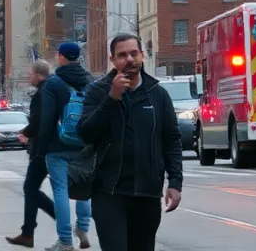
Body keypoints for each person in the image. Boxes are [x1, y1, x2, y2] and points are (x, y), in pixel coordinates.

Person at [77, 33, 182, 251]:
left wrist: (175, 182)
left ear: (142, 55)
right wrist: (112, 98)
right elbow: (86, 134)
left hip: (148, 192)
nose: (129, 59)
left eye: (134, 53)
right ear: (113, 60)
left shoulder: (158, 94)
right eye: (122, 55)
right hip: (109, 192)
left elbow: (171, 140)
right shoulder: (98, 92)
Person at [38, 42, 94, 250]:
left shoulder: (53, 83)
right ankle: (83, 228)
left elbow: (46, 119)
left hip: (57, 145)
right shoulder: (91, 81)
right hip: (85, 145)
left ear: (60, 57)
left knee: (61, 191)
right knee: (85, 187)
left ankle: (65, 241)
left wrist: (41, 145)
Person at [6, 61, 56, 248]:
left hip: (41, 150)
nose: (29, 77)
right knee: (32, 189)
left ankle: (33, 231)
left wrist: (26, 133)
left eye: (30, 74)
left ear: (38, 75)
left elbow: (38, 120)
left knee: (30, 188)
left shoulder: (42, 94)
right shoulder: (52, 89)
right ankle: (28, 232)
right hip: (50, 147)